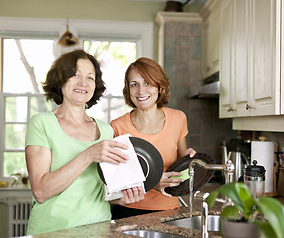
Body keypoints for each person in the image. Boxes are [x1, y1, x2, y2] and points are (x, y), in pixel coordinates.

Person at [25, 50, 144, 235]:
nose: (83, 82)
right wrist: (88, 155)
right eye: (75, 75)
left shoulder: (105, 130)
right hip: (52, 231)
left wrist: (121, 198)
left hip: (98, 230)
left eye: (90, 77)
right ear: (60, 80)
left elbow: (101, 191)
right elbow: (41, 191)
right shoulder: (42, 124)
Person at [110, 57, 196, 219]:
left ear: (159, 86)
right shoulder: (117, 126)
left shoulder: (178, 118)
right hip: (128, 211)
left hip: (170, 210)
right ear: (128, 89)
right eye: (134, 84)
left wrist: (189, 160)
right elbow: (113, 180)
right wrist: (151, 183)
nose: (141, 91)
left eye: (147, 83)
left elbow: (181, 168)